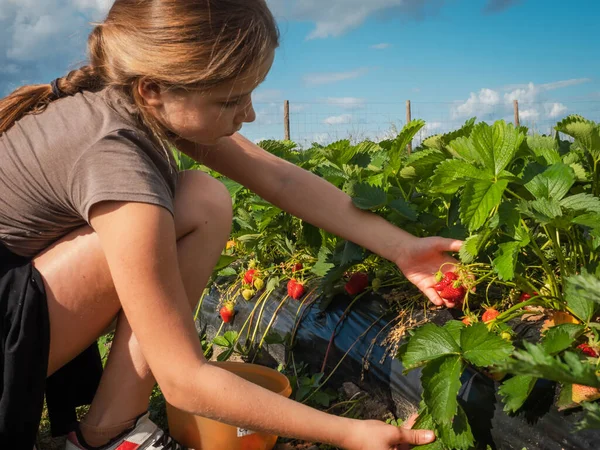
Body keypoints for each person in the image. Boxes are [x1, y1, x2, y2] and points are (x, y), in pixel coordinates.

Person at [0, 1, 462, 449]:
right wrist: (348, 432)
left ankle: (108, 430)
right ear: (153, 88)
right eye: (231, 99)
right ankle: (112, 431)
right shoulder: (113, 152)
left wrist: (401, 247)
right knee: (185, 207)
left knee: (201, 197)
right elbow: (184, 380)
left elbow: (278, 177)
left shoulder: (132, 97)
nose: (250, 114)